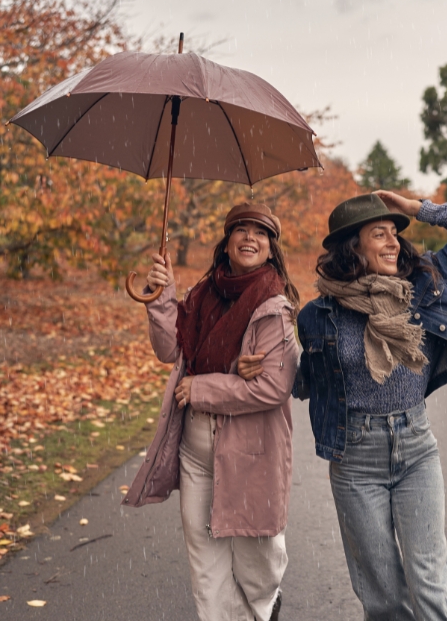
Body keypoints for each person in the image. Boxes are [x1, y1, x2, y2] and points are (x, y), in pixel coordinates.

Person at [288, 191, 447, 620]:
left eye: (395, 234)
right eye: (379, 234)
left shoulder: (427, 282)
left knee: (429, 587)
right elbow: (310, 378)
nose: (393, 242)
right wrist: (262, 369)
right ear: (352, 247)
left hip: (415, 449)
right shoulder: (319, 314)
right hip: (355, 460)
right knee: (385, 597)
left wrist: (419, 209)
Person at [121, 202, 299, 621]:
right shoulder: (203, 295)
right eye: (241, 229)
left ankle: (265, 606)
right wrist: (161, 296)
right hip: (195, 451)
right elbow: (169, 349)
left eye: (260, 232)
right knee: (207, 567)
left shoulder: (275, 308)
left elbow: (273, 385)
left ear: (271, 249)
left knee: (259, 562)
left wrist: (201, 388)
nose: (250, 238)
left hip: (251, 450)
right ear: (227, 240)